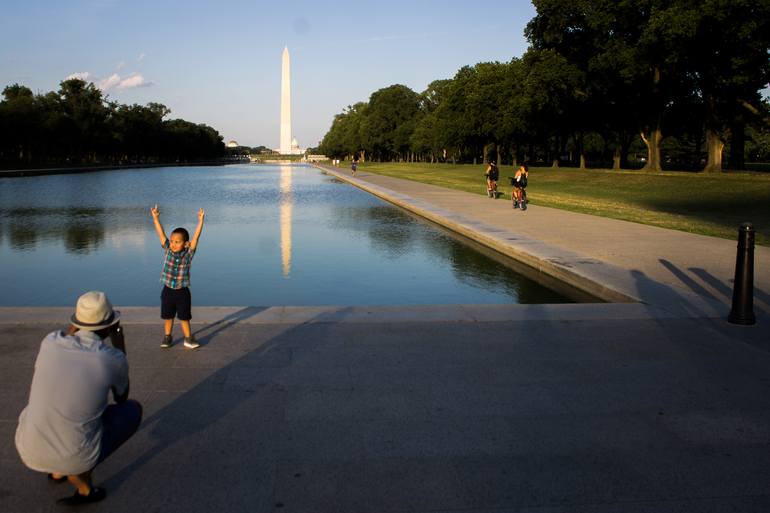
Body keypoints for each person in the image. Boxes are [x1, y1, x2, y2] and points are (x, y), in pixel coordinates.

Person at [15, 291, 142, 506]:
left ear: (75, 321)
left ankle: (57, 473)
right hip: (75, 456)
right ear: (111, 326)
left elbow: (69, 334)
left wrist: (77, 323)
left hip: (28, 448)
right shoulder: (110, 359)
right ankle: (84, 489)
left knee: (59, 406)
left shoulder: (50, 342)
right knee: (132, 410)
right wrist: (119, 343)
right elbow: (121, 397)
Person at [151, 205, 205, 349]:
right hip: (168, 290)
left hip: (182, 292)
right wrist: (156, 218)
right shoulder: (168, 250)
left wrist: (200, 221)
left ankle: (188, 338)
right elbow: (161, 233)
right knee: (168, 316)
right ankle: (167, 337)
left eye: (177, 242)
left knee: (184, 317)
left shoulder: (188, 254)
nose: (173, 244)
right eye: (173, 241)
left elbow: (196, 237)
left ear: (185, 243)